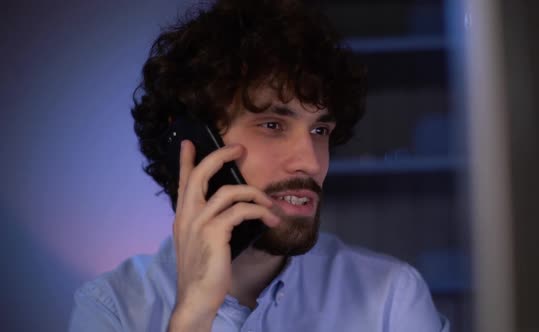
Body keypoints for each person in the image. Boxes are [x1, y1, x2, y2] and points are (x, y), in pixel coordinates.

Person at [69, 0, 450, 331]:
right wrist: (194, 316)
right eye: (272, 125)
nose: (311, 162)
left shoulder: (391, 298)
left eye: (320, 129)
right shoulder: (113, 308)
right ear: (195, 144)